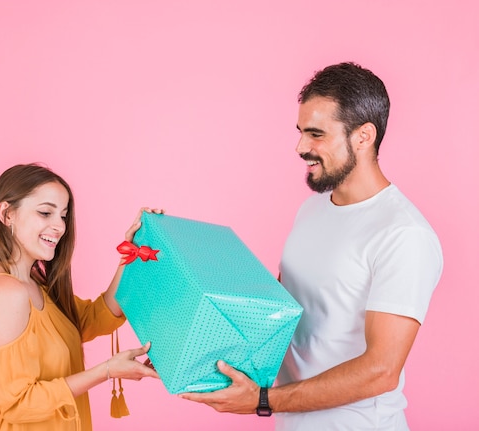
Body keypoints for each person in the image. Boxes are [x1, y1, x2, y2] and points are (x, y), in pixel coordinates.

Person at [180, 62, 443, 430]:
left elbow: (381, 370)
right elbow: (275, 315)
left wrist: (261, 402)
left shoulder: (403, 234)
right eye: (301, 132)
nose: (301, 147)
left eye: (316, 134)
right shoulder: (312, 209)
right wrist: (186, 351)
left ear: (363, 136)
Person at [0, 163, 160, 431]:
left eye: (62, 216)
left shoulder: (35, 285)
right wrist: (107, 370)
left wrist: (132, 251)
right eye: (45, 212)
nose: (59, 227)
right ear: (6, 214)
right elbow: (18, 404)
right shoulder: (5, 294)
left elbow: (94, 318)